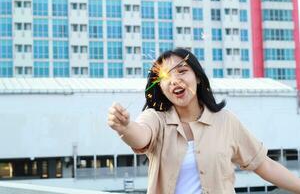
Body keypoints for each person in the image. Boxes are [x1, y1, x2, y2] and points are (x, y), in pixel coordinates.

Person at [107, 48, 300, 194]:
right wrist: (125, 127)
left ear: (197, 77)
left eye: (182, 71)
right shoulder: (156, 118)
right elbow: (140, 136)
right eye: (165, 76)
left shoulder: (225, 121)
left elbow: (264, 165)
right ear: (161, 87)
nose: (175, 80)